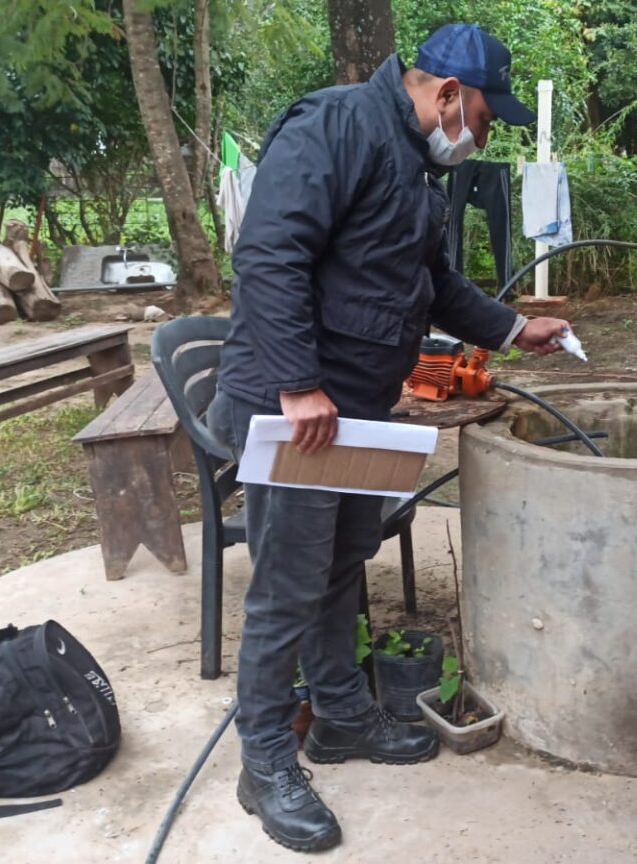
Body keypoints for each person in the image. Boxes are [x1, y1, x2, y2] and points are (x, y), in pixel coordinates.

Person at [207, 23, 570, 854]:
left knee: (341, 564)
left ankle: (338, 717)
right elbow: (268, 256)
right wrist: (299, 385)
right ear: (446, 95)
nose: (481, 134)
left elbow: (430, 281)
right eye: (482, 117)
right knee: (289, 584)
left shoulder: (413, 165)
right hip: (295, 407)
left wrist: (517, 328)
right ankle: (263, 759)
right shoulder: (333, 127)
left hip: (357, 408)